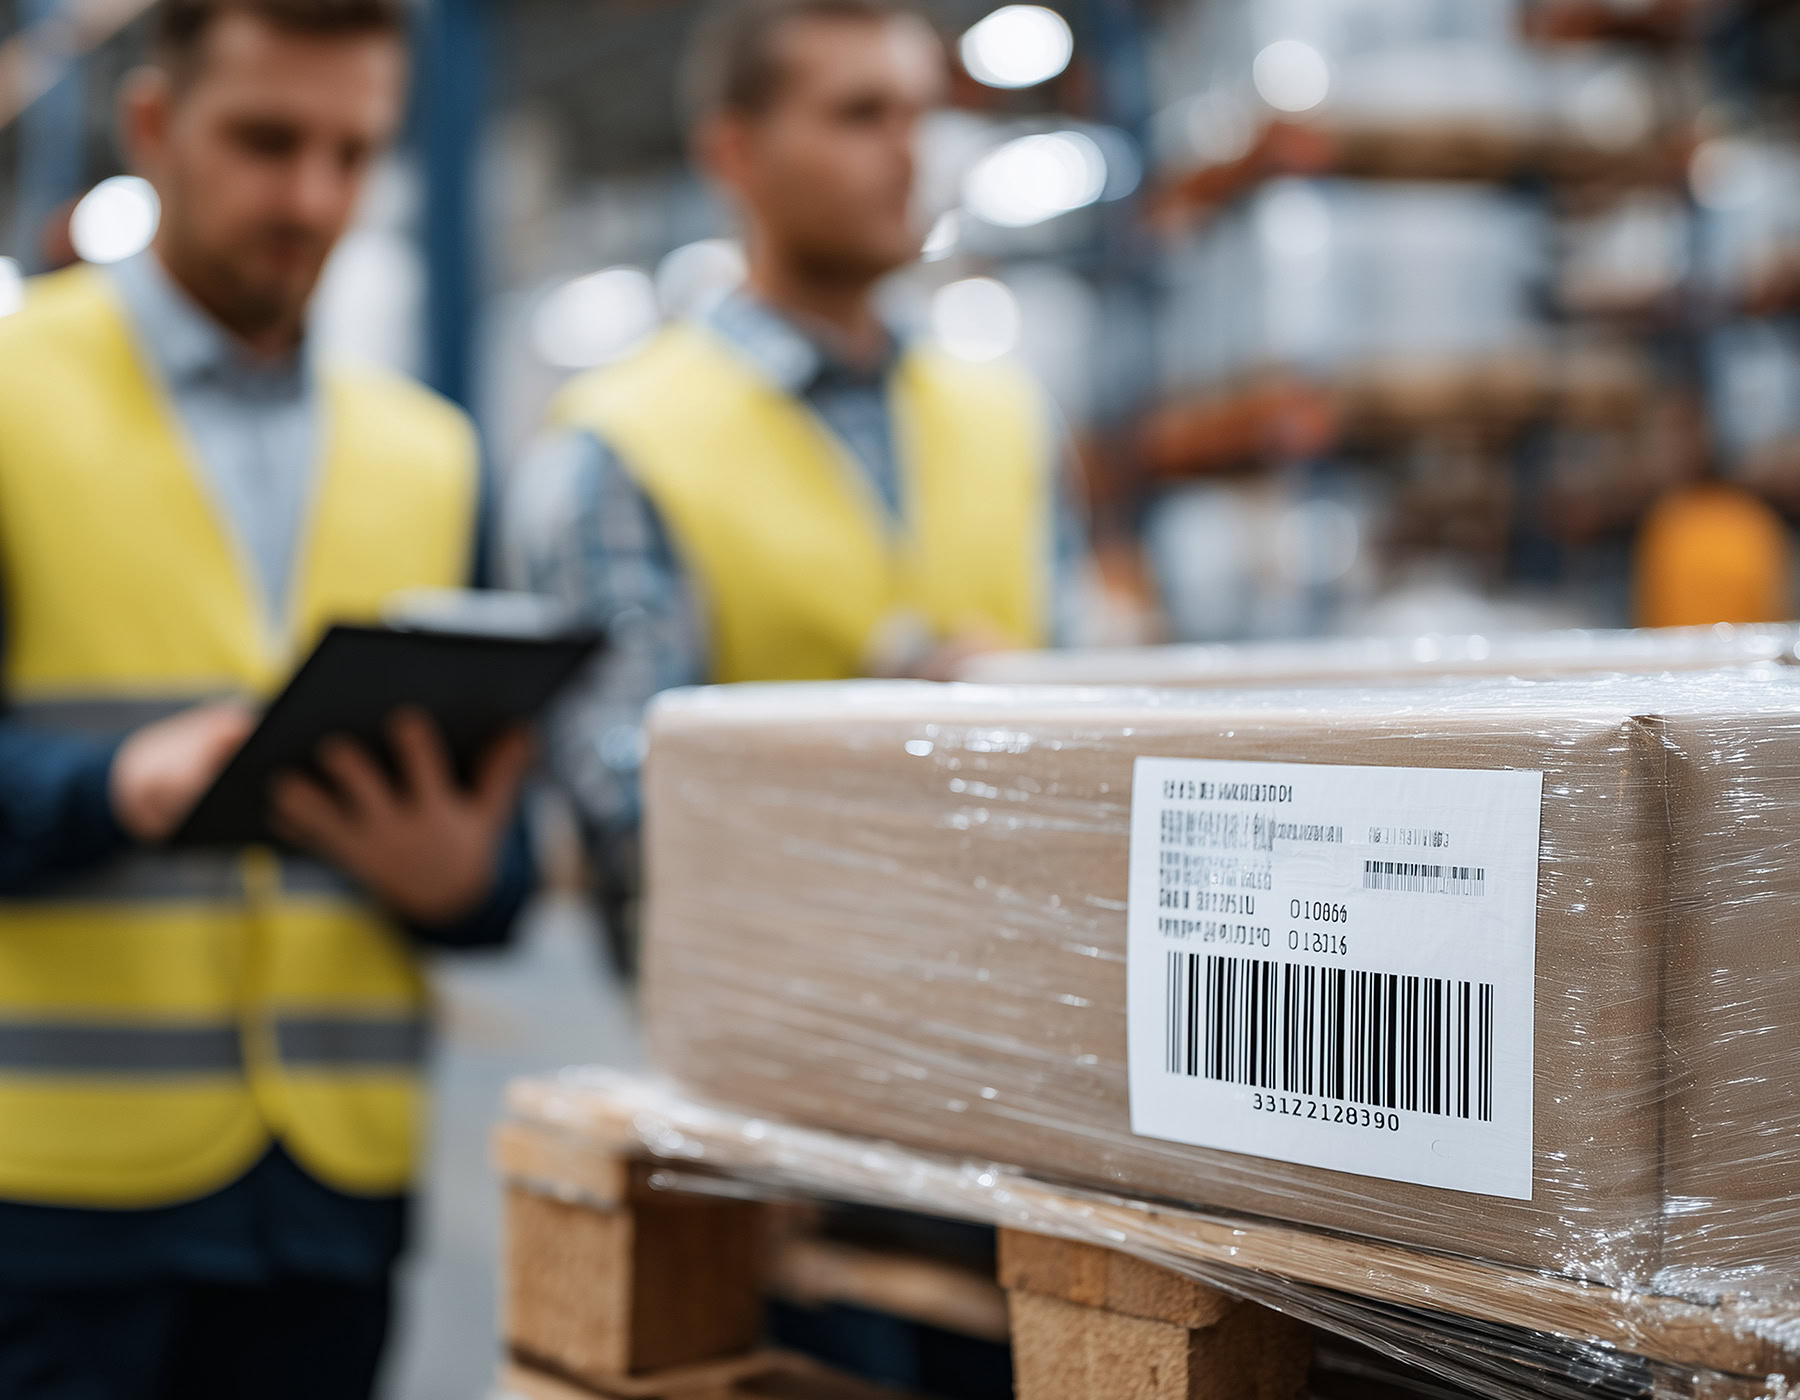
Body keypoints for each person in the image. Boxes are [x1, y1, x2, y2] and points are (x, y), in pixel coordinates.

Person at [0, 2, 533, 1395]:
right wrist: (111, 786)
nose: (310, 198)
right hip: (53, 1205)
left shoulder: (432, 457)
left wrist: (466, 879)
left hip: (332, 1202)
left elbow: (502, 855)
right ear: (155, 125)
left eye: (351, 153)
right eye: (266, 141)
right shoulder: (10, 399)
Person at [504, 0, 1087, 971]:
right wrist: (897, 745)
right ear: (735, 154)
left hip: (1011, 988)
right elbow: (636, 809)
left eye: (921, 113)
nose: (909, 153)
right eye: (861, 115)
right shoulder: (627, 443)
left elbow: (1091, 738)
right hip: (765, 1009)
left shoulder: (1011, 420)